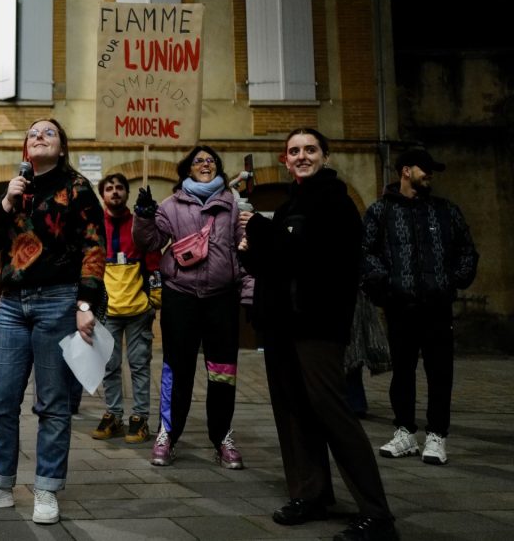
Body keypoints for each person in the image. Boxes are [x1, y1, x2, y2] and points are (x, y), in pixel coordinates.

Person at [239, 128, 397, 541]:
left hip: (316, 325)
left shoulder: (335, 203)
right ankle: (310, 494)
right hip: (281, 325)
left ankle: (376, 513)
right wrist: (250, 250)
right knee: (294, 413)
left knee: (332, 412)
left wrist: (261, 230)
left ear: (325, 156)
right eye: (294, 151)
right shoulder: (290, 203)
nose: (302, 156)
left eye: (310, 149)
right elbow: (275, 264)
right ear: (285, 159)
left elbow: (309, 257)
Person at [0, 119, 105, 525]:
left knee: (52, 403)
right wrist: (5, 202)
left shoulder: (77, 188)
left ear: (62, 148)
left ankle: (47, 488)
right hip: (12, 304)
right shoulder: (18, 188)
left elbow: (93, 245)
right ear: (25, 148)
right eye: (33, 133)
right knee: (0, 399)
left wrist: (86, 303)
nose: (39, 137)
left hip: (59, 299)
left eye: (49, 133)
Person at [132, 146, 251, 469]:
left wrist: (249, 294)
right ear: (188, 168)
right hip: (180, 296)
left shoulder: (232, 204)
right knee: (177, 368)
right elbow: (149, 242)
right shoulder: (171, 205)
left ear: (218, 168)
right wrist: (144, 215)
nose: (205, 164)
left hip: (221, 298)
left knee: (223, 372)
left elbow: (245, 251)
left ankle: (222, 437)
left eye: (211, 160)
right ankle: (167, 435)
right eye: (199, 160)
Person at [362, 148, 478, 466]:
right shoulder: (380, 212)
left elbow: (467, 250)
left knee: (440, 373)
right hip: (400, 307)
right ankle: (405, 433)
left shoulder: (445, 211)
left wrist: (453, 279)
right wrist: (386, 284)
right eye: (424, 168)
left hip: (437, 308)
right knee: (402, 373)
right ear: (406, 170)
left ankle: (437, 436)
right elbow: (366, 252)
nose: (430, 174)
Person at [91, 173, 158, 445]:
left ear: (127, 194)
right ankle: (114, 415)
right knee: (109, 366)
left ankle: (140, 418)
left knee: (140, 366)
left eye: (120, 187)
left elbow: (153, 256)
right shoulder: (95, 227)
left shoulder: (139, 224)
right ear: (102, 195)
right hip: (108, 311)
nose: (115, 192)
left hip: (139, 310)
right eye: (109, 188)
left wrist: (155, 295)